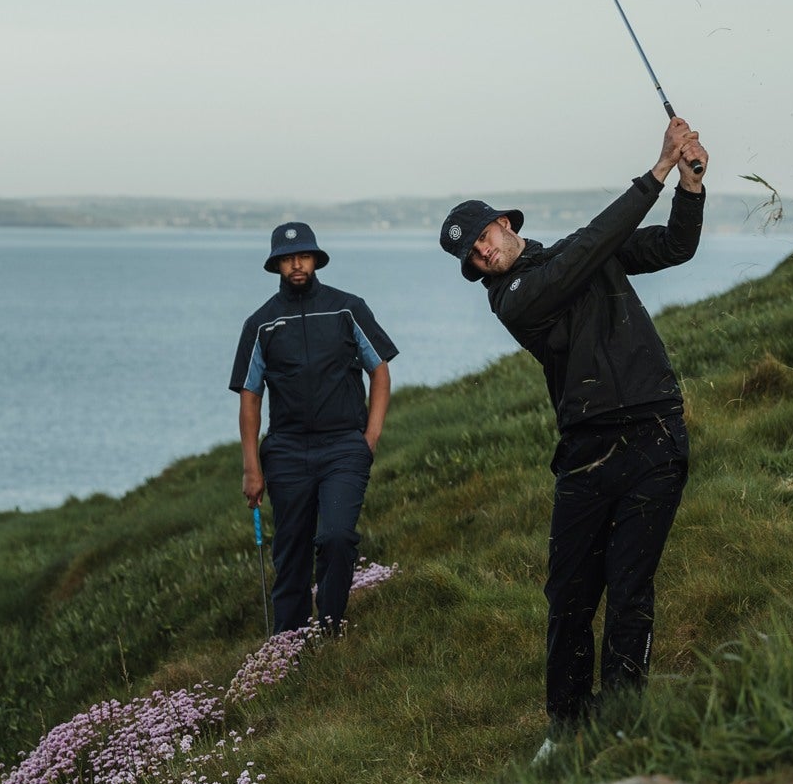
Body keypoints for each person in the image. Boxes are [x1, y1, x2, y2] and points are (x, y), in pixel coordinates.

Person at [437, 117, 708, 733]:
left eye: (483, 239)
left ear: (505, 224)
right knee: (568, 596)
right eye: (472, 256)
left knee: (631, 588)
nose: (482, 254)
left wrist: (689, 185)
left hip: (655, 432)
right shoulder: (512, 299)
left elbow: (674, 247)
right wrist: (657, 171)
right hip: (586, 453)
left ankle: (622, 721)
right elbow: (586, 251)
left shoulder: (575, 255)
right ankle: (567, 729)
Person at [230, 222, 398, 633]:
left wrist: (370, 438)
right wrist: (252, 468)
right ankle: (288, 647)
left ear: (316, 260)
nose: (296, 265)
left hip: (344, 447)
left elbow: (379, 371)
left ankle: (330, 629)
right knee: (291, 555)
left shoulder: (348, 308)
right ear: (276, 265)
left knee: (337, 538)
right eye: (288, 259)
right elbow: (250, 397)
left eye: (303, 256)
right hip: (286, 452)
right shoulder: (260, 324)